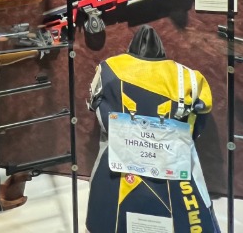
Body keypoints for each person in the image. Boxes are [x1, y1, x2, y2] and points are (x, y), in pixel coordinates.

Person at [85, 25, 221, 233]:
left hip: (116, 173)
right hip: (173, 171)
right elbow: (198, 124)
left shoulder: (107, 69)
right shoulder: (191, 77)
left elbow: (96, 109)